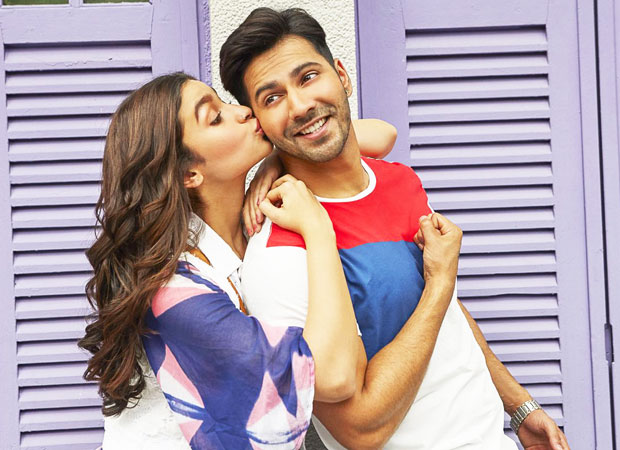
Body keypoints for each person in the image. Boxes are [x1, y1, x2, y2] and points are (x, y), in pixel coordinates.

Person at [219, 7, 570, 450]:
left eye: (308, 77)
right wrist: (441, 282)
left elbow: (442, 312)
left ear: (342, 75)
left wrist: (518, 406)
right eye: (272, 98)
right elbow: (359, 431)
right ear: (259, 123)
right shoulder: (280, 252)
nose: (300, 105)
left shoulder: (399, 181)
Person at [77, 73, 418, 449]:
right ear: (189, 174)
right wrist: (318, 228)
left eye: (225, 102)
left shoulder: (251, 221)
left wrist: (278, 157)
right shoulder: (173, 291)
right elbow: (333, 376)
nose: (242, 111)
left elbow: (381, 135)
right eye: (215, 117)